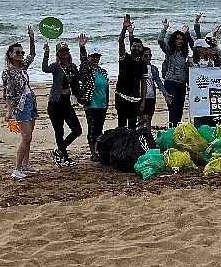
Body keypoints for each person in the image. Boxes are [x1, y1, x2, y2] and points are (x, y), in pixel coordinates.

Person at [2, 26, 39, 179]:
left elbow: (32, 54)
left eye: (21, 52)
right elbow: (8, 93)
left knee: (29, 137)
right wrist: (9, 110)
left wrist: (31, 39)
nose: (21, 55)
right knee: (26, 137)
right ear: (10, 54)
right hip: (20, 105)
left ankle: (25, 165)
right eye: (17, 52)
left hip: (30, 101)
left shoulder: (23, 67)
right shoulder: (8, 72)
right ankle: (17, 169)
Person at [42, 41, 82, 167]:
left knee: (77, 130)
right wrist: (46, 53)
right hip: (55, 103)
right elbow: (44, 68)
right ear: (58, 54)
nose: (64, 53)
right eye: (61, 51)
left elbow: (77, 82)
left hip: (67, 103)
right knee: (59, 132)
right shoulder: (56, 66)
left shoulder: (73, 66)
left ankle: (58, 151)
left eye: (66, 50)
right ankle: (66, 157)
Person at [77, 34, 109, 162]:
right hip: (91, 104)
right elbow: (84, 63)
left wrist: (107, 102)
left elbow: (106, 88)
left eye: (97, 56)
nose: (95, 58)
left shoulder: (102, 71)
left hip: (102, 104)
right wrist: (82, 48)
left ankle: (98, 150)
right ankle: (93, 153)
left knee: (99, 128)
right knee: (92, 128)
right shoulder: (87, 70)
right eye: (93, 56)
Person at [115, 14, 148, 129]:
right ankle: (120, 146)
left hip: (135, 98)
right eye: (134, 46)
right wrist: (124, 28)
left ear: (141, 48)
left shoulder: (143, 65)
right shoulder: (124, 58)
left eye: (139, 47)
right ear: (131, 47)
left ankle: (130, 147)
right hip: (121, 96)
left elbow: (144, 83)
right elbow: (120, 42)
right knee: (122, 126)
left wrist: (143, 100)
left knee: (132, 127)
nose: (136, 48)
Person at [158, 18, 191, 127]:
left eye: (181, 39)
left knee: (179, 111)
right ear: (173, 40)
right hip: (170, 82)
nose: (179, 41)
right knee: (173, 110)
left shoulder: (184, 54)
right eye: (177, 39)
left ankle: (176, 132)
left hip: (181, 84)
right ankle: (171, 132)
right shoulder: (169, 51)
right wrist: (165, 29)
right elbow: (160, 41)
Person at [139, 46, 172, 130]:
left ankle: (148, 136)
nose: (148, 57)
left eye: (150, 55)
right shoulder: (137, 67)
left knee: (148, 118)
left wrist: (166, 94)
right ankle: (139, 137)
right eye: (146, 55)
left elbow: (159, 83)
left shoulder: (153, 69)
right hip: (140, 96)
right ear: (141, 56)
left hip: (151, 96)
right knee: (141, 118)